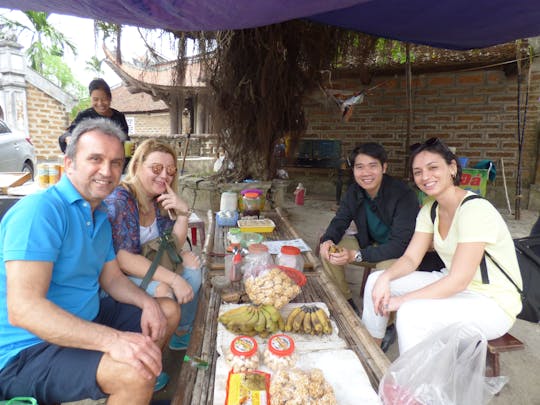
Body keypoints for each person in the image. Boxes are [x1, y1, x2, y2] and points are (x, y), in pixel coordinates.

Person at [0, 118, 180, 404]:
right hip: (29, 349)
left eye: (116, 162)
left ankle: (129, 393)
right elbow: (24, 310)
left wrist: (147, 302)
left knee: (166, 311)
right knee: (134, 373)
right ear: (69, 163)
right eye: (95, 159)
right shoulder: (40, 212)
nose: (107, 171)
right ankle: (131, 384)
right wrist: (113, 341)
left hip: (87, 317)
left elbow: (112, 279)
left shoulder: (98, 216)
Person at [362, 138, 522, 354]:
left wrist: (401, 301)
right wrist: (385, 278)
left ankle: (414, 384)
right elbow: (410, 259)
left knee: (411, 312)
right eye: (418, 172)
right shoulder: (430, 210)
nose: (425, 177)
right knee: (375, 281)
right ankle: (371, 350)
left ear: (452, 168)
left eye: (433, 167)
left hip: (491, 302)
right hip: (452, 283)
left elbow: (459, 280)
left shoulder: (475, 210)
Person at [105, 139, 202, 354]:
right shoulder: (121, 199)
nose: (164, 176)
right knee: (164, 291)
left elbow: (172, 244)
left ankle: (180, 333)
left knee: (194, 272)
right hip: (117, 275)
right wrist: (173, 279)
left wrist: (183, 213)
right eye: (156, 168)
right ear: (137, 165)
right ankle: (147, 357)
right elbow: (123, 259)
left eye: (170, 170)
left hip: (149, 263)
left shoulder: (159, 199)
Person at [319, 142, 420, 313]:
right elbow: (340, 221)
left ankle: (387, 322)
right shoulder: (355, 191)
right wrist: (327, 240)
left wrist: (356, 255)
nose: (366, 173)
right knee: (330, 252)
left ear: (384, 167)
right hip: (369, 244)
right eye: (360, 167)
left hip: (397, 254)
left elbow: (400, 244)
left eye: (373, 166)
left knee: (383, 275)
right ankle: (345, 304)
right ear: (354, 171)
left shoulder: (403, 195)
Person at [59, 78, 130, 156]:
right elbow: (67, 134)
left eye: (104, 99)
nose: (100, 103)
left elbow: (126, 141)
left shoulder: (119, 117)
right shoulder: (84, 116)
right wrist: (68, 137)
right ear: (91, 99)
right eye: (95, 99)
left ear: (110, 98)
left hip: (114, 159)